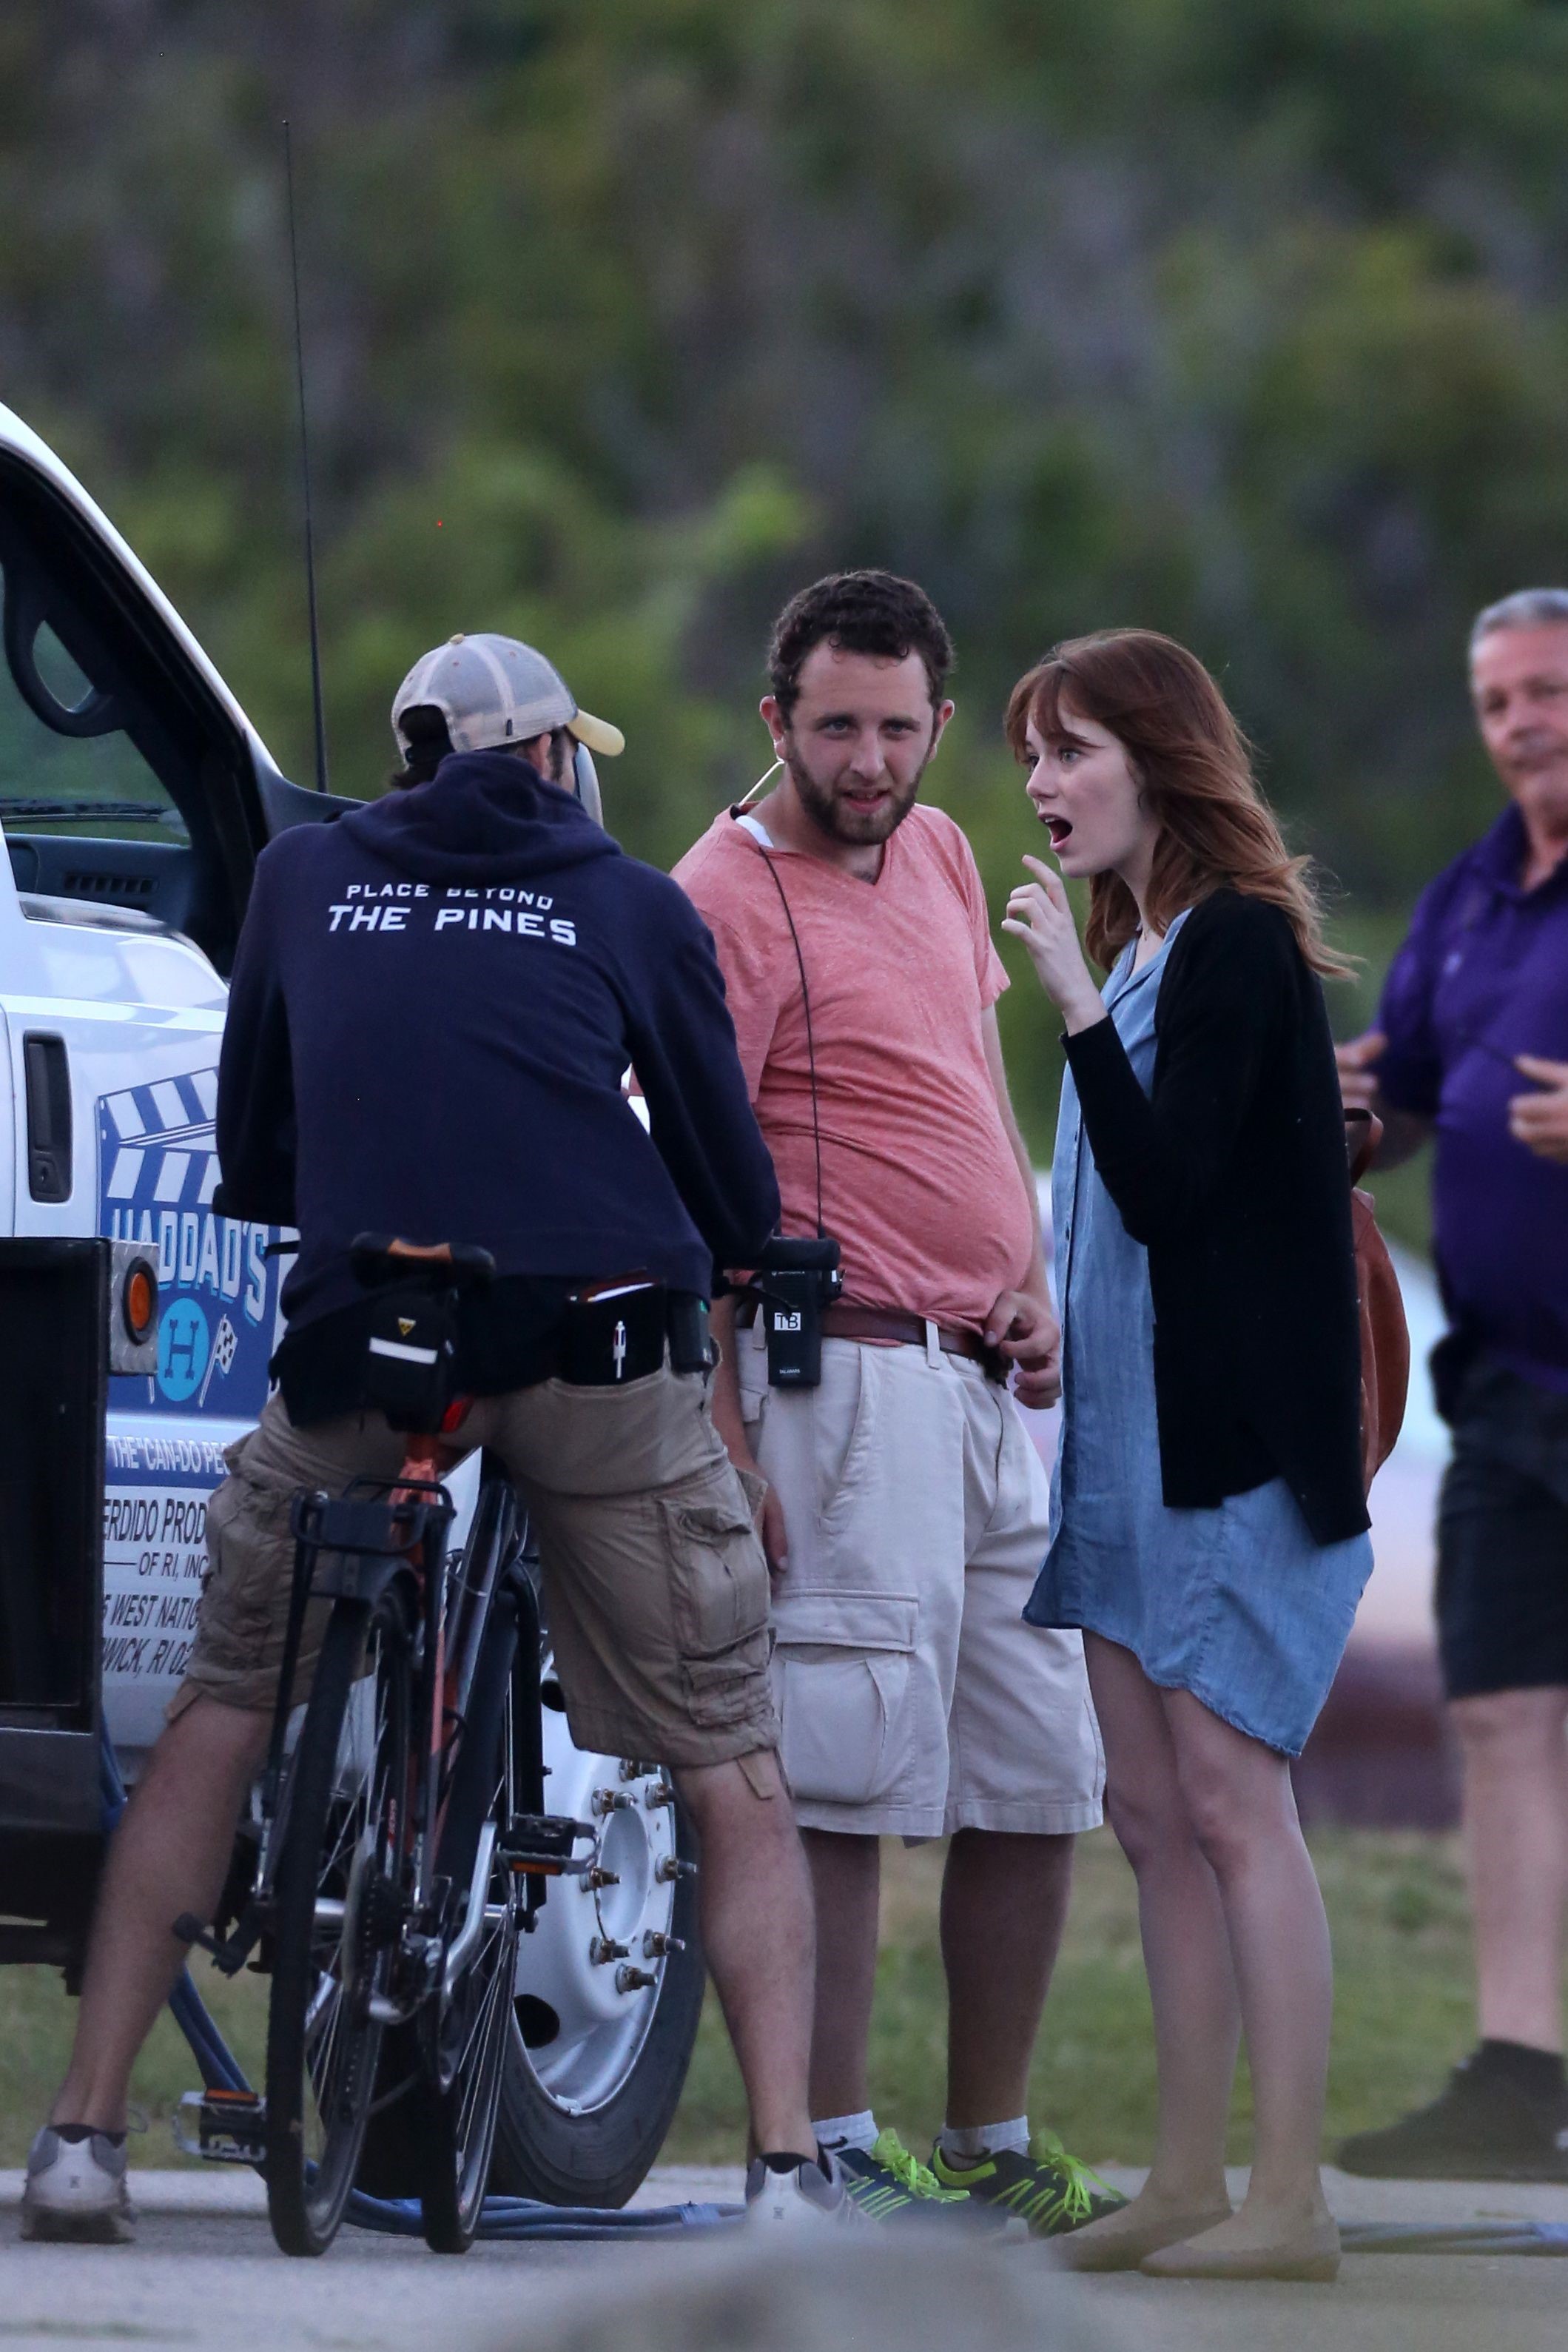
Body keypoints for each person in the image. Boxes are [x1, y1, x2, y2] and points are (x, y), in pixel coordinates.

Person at [24, 633, 845, 2242]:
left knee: (219, 1705)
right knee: (727, 1756)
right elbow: (732, 1189)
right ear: (550, 759)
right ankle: (786, 2165)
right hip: (588, 1348)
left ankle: (80, 2134)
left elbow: (255, 1149)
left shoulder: (299, 878)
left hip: (367, 1342)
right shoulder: (626, 899)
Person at [673, 571, 1114, 2234]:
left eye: (897, 725)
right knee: (843, 1769)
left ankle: (987, 2134)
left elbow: (964, 1076)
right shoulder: (720, 893)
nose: (868, 758)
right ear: (775, 718)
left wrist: (1031, 1265)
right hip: (834, 1376)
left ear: (941, 720)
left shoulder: (931, 850)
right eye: (835, 725)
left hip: (984, 1377)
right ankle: (834, 2136)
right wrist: (717, 1419)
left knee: (1037, 1765)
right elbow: (691, 1167)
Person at [1003, 629, 1373, 2283]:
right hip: (1121, 1459)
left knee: (1234, 1804)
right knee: (1149, 1815)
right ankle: (1183, 2175)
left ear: (1159, 755)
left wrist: (1072, 1007)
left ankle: (1289, 2193)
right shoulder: (1145, 948)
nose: (1042, 783)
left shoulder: (1230, 948)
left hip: (1227, 1457)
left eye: (1072, 748)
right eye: (1030, 754)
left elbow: (1170, 1191)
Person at [1334, 588, 1568, 2183]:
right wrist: (1346, 1106)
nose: (1523, 720)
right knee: (1496, 1714)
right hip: (1497, 1378)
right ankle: (1515, 2074)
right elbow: (1406, 1091)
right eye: (1498, 699)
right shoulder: (1475, 894)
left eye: (1547, 689)